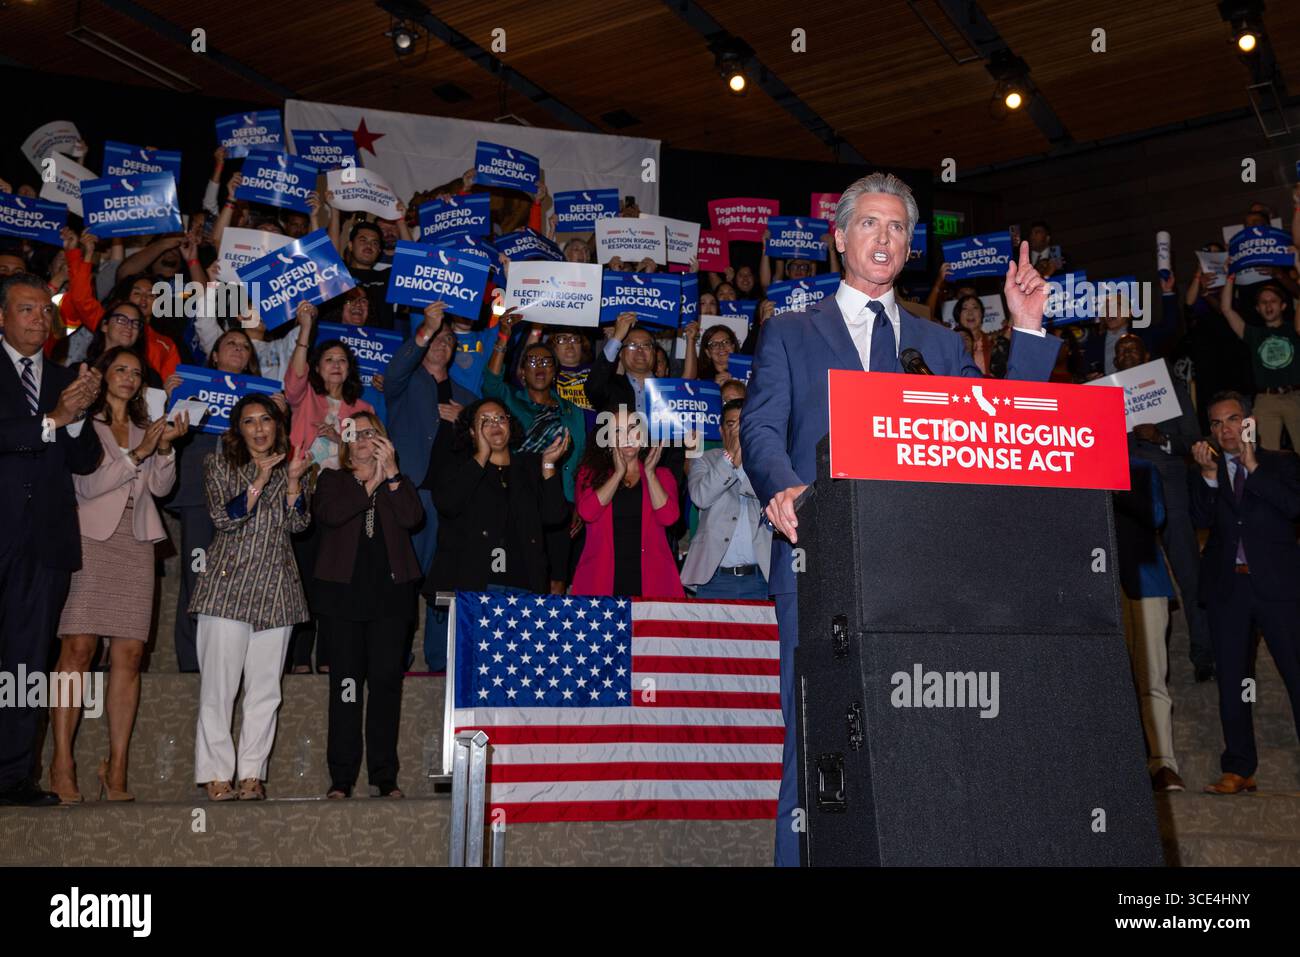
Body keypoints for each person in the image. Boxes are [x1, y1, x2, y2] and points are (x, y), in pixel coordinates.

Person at [741, 172, 1060, 866]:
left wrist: (1027, 328)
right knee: (815, 740)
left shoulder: (939, 346)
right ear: (839, 237)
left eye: (896, 228)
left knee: (914, 741)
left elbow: (1002, 437)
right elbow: (762, 429)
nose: (883, 238)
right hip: (816, 558)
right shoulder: (791, 333)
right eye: (869, 223)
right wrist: (784, 487)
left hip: (918, 571)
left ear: (910, 247)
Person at [48, 348, 187, 803]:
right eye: (120, 369)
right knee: (79, 649)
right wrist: (140, 453)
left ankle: (118, 765)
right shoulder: (83, 423)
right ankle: (62, 762)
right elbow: (87, 486)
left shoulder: (150, 428)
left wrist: (163, 450)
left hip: (136, 543)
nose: (128, 377)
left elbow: (162, 489)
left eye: (135, 372)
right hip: (90, 539)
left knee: (129, 656)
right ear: (103, 376)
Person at [0, 274, 102, 806]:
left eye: (45, 310)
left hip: (45, 546)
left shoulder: (66, 377)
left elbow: (85, 462)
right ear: (2, 316)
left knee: (25, 665)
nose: (38, 318)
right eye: (26, 308)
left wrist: (78, 416)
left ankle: (14, 777)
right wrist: (52, 418)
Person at [190, 395, 312, 800]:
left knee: (265, 691)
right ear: (238, 429)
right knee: (218, 689)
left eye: (266, 420)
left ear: (277, 426)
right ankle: (216, 773)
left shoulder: (291, 467)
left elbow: (298, 525)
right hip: (227, 587)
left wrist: (294, 482)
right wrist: (258, 480)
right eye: (249, 422)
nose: (259, 428)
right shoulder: (219, 463)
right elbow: (224, 518)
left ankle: (251, 774)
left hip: (277, 589)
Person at [1190, 392, 1300, 795]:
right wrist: (1208, 478)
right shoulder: (1209, 469)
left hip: (1277, 586)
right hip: (1228, 589)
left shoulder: (1281, 463)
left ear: (1249, 422)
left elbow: (1293, 507)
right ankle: (1239, 768)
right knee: (1234, 680)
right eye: (1217, 424)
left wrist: (1253, 467)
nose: (1225, 430)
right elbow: (1199, 519)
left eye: (1233, 419)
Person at [312, 412, 423, 799]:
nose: (362, 439)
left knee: (385, 688)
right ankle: (341, 777)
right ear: (344, 443)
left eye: (370, 433)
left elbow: (413, 518)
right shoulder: (331, 480)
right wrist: (367, 487)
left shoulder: (397, 483)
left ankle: (384, 775)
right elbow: (329, 514)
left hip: (391, 601)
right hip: (344, 600)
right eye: (354, 434)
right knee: (345, 688)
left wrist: (389, 476)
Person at [1114, 333, 1214, 681]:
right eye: (1120, 350)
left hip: (1170, 484)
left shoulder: (1170, 387)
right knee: (1135, 580)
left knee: (1189, 570)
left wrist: (1160, 438)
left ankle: (1205, 652)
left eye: (1133, 348)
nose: (1126, 353)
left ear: (1146, 355)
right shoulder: (1108, 395)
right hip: (1128, 491)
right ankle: (1138, 666)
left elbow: (1193, 438)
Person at [384, 303, 476, 670]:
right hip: (411, 493)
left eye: (449, 339)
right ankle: (397, 655)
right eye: (436, 338)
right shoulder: (403, 383)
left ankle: (439, 660)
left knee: (443, 582)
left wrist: (464, 424)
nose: (442, 343)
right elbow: (394, 370)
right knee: (403, 578)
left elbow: (486, 444)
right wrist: (427, 327)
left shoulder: (467, 398)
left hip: (450, 500)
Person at [284, 301, 374, 673]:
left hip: (343, 496)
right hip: (305, 489)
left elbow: (366, 451)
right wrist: (307, 327)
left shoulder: (363, 406)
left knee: (335, 573)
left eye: (342, 360)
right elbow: (293, 379)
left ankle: (330, 656)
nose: (336, 365)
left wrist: (340, 440)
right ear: (318, 368)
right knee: (304, 572)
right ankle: (300, 655)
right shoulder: (305, 397)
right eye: (329, 360)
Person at [481, 310, 586, 592]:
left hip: (559, 501)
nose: (540, 367)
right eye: (532, 361)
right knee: (520, 574)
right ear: (522, 371)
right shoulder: (510, 403)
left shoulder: (572, 412)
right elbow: (490, 383)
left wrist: (576, 503)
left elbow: (580, 461)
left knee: (556, 577)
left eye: (546, 362)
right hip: (517, 501)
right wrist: (504, 335)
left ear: (555, 371)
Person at [422, 399, 570, 596]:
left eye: (500, 418)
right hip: (471, 586)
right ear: (472, 432)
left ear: (510, 425)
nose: (494, 424)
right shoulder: (458, 467)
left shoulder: (531, 467)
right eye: (485, 420)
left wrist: (549, 464)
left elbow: (554, 516)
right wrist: (482, 455)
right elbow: (448, 504)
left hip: (524, 585)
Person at [1114, 457, 1183, 792]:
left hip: (1145, 584)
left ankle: (1162, 764)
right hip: (1095, 589)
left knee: (1151, 679)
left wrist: (1110, 481)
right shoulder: (1069, 462)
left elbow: (1156, 515)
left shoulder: (1140, 466)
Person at [571, 406, 682, 598]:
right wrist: (618, 474)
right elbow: (587, 513)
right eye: (618, 431)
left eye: (633, 428)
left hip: (654, 582)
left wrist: (649, 473)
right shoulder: (589, 473)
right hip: (600, 581)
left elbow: (669, 518)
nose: (627, 436)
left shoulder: (662, 475)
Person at [681, 399, 770, 598]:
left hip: (760, 578)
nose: (738, 431)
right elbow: (700, 497)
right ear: (721, 431)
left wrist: (741, 465)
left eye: (743, 424)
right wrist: (729, 459)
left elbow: (768, 495)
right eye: (731, 424)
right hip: (715, 579)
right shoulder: (705, 459)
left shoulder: (767, 463)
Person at [1218, 277, 1300, 450]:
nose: (1268, 306)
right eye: (1263, 302)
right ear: (1258, 308)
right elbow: (1226, 309)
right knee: (1263, 452)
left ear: (1283, 306)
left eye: (1273, 301)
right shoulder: (1253, 334)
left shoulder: (1294, 329)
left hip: (1295, 396)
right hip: (1265, 400)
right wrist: (1230, 277)